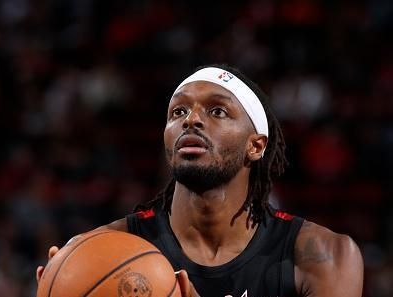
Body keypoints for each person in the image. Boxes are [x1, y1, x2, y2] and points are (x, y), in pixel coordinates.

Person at [37, 65, 364, 297]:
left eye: (217, 111)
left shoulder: (324, 255)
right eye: (178, 112)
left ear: (256, 145)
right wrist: (65, 280)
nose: (191, 119)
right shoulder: (106, 250)